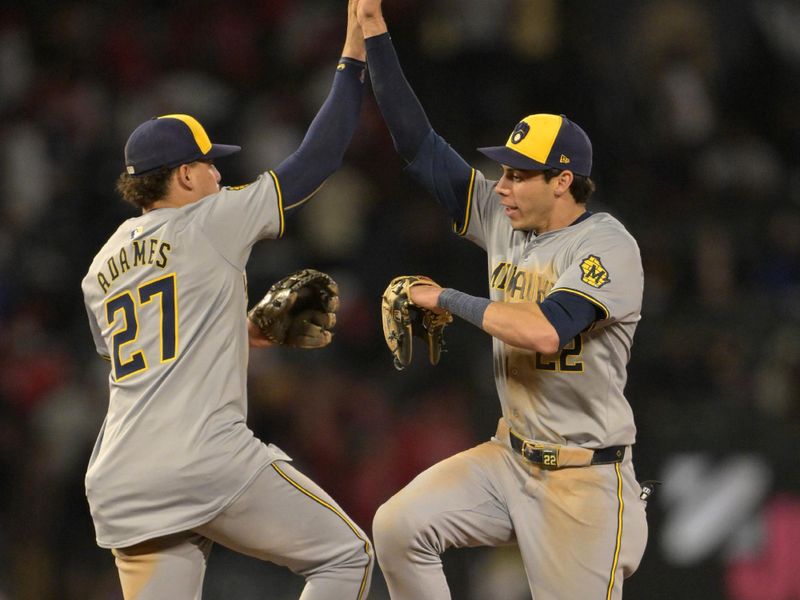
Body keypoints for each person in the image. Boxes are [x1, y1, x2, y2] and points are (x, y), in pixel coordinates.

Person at [356, 1, 648, 598]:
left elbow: (546, 330)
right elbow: (418, 145)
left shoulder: (607, 246)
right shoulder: (502, 217)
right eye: (503, 172)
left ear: (563, 181)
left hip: (583, 481)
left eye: (519, 174)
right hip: (507, 457)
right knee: (398, 527)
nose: (503, 185)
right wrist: (376, 34)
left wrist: (443, 298)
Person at [80, 3, 373, 598]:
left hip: (122, 479)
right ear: (184, 175)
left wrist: (246, 332)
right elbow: (319, 157)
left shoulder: (99, 269)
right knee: (345, 556)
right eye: (211, 165)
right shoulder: (209, 219)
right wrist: (351, 59)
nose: (220, 176)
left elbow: (153, 358)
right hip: (204, 459)